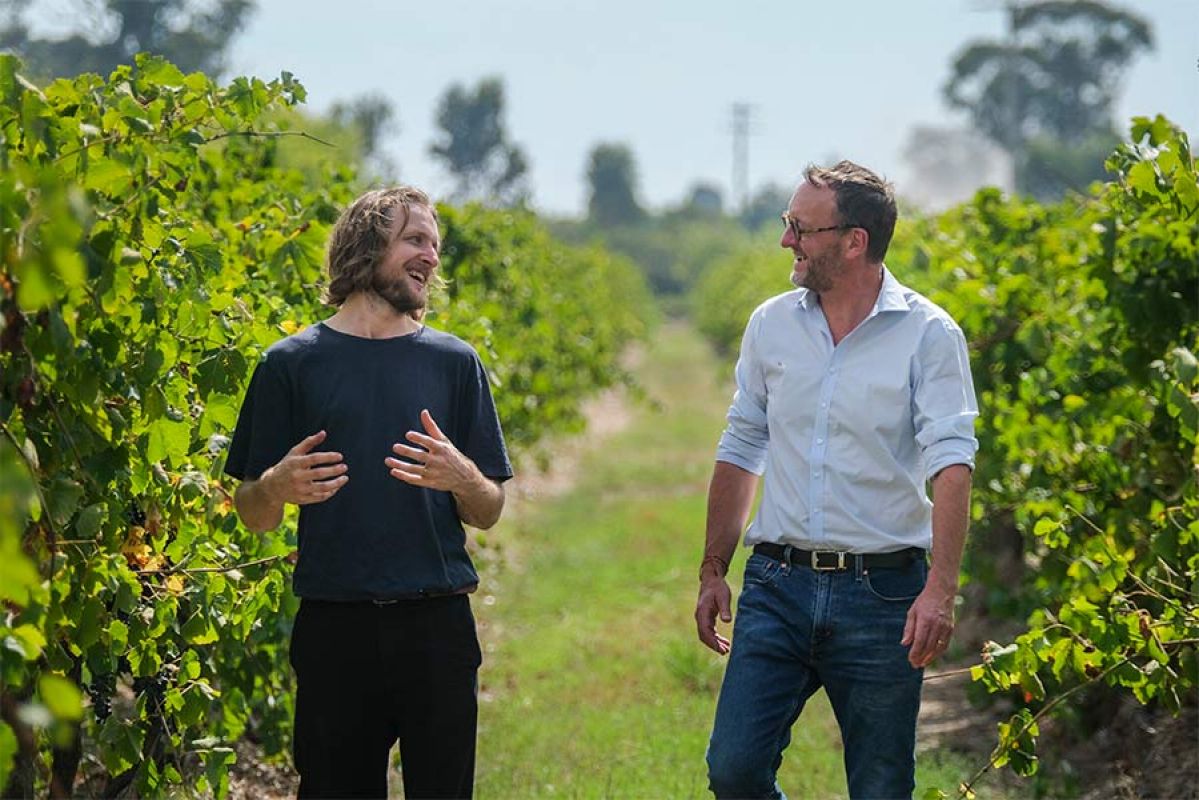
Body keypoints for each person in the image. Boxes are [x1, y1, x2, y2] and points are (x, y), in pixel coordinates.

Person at [695, 161, 978, 800]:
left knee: (880, 788)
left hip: (883, 596)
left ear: (854, 241)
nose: (786, 240)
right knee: (733, 771)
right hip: (777, 584)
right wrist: (714, 569)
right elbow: (743, 444)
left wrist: (940, 589)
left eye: (801, 227)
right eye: (787, 223)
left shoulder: (929, 335)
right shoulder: (771, 324)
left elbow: (951, 463)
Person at [225, 186, 513, 799]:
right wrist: (275, 485)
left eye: (435, 244)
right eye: (415, 239)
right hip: (335, 629)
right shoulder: (290, 365)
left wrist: (464, 476)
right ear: (366, 246)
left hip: (437, 625)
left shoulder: (455, 363)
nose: (432, 257)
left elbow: (489, 510)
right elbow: (251, 513)